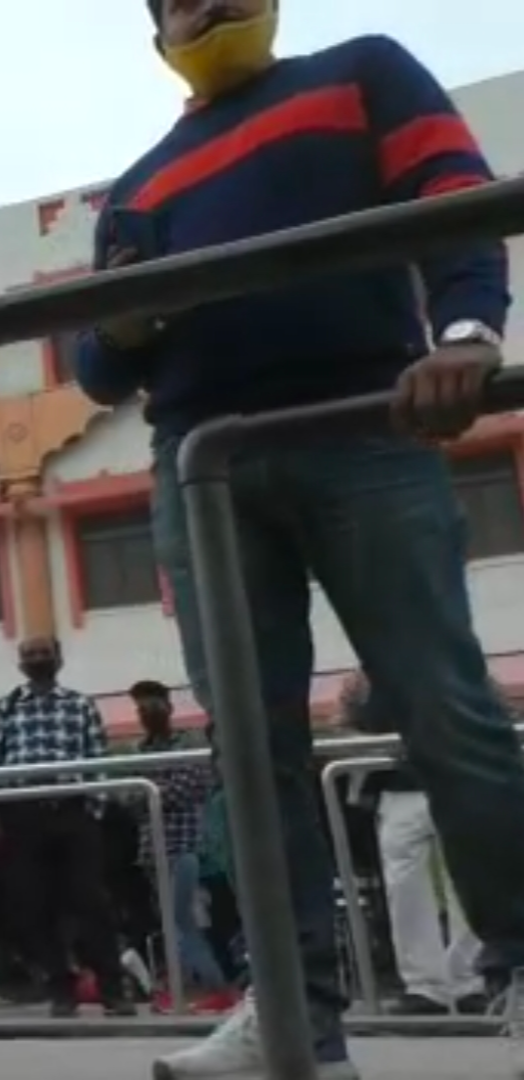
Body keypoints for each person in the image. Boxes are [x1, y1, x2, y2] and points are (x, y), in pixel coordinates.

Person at [78, 1, 524, 1074]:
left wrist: (467, 331)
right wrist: (128, 318)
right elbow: (96, 365)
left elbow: (454, 198)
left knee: (444, 704)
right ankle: (292, 1013)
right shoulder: (138, 186)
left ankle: (520, 959)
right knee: (250, 748)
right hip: (205, 458)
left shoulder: (361, 72)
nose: (203, 4)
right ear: (156, 29)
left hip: (364, 423)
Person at [0, 637, 132, 1017]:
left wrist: (91, 811)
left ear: (58, 659)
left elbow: (97, 758)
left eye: (44, 653)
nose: (37, 659)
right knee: (33, 906)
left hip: (72, 810)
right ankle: (61, 990)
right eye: (30, 655)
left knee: (91, 903)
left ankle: (112, 989)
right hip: (23, 813)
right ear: (20, 664)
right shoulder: (6, 707)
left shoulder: (79, 704)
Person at [341, 674, 487, 1016]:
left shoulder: (371, 679)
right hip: (428, 783)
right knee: (417, 887)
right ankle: (446, 983)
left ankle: (449, 982)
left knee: (448, 885)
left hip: (421, 785)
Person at [129, 681, 232, 1009]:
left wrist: (148, 792)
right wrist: (149, 793)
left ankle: (214, 986)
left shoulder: (188, 744)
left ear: (168, 708)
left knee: (181, 923)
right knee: (174, 923)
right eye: (141, 708)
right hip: (152, 852)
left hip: (183, 848)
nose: (147, 713)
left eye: (153, 705)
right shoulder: (140, 750)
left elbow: (183, 789)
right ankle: (193, 986)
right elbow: (129, 795)